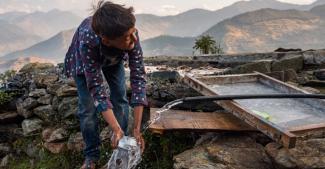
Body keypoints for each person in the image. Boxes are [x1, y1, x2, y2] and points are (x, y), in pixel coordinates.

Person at [64, 1, 147, 168]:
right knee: (87, 108)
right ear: (107, 40)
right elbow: (97, 90)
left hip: (114, 57)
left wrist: (136, 129)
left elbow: (138, 79)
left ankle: (120, 148)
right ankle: (91, 157)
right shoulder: (88, 40)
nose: (135, 38)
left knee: (120, 98)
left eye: (133, 32)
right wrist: (115, 127)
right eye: (128, 37)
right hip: (83, 62)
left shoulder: (129, 34)